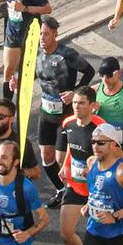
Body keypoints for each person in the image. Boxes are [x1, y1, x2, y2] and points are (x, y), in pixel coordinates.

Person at [32, 17, 95, 187]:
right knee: (46, 156)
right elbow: (33, 75)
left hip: (65, 114)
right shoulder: (36, 53)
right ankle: (60, 190)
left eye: (46, 34)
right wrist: (17, 82)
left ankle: (73, 190)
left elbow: (89, 71)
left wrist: (75, 92)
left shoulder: (67, 54)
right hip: (46, 112)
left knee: (61, 158)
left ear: (54, 34)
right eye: (40, 35)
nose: (42, 38)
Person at [0, 0, 51, 96]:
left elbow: (47, 8)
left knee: (29, 71)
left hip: (29, 33)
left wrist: (25, 8)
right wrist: (0, 0)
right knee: (8, 70)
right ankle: (7, 106)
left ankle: (22, 100)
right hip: (12, 32)